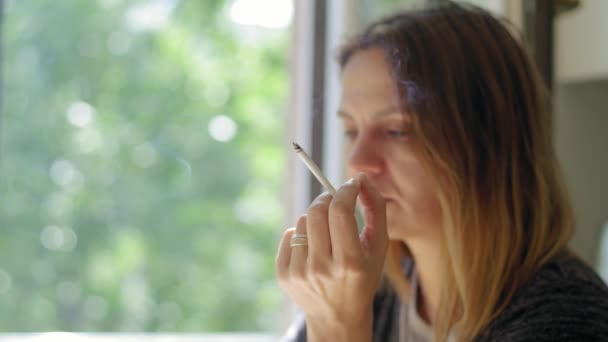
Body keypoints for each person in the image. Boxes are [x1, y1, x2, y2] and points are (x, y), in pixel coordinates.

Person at [274, 1, 608, 342]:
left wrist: (338, 330)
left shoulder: (568, 320)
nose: (359, 162)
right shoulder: (375, 298)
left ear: (488, 140)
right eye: (351, 131)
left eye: (397, 130)